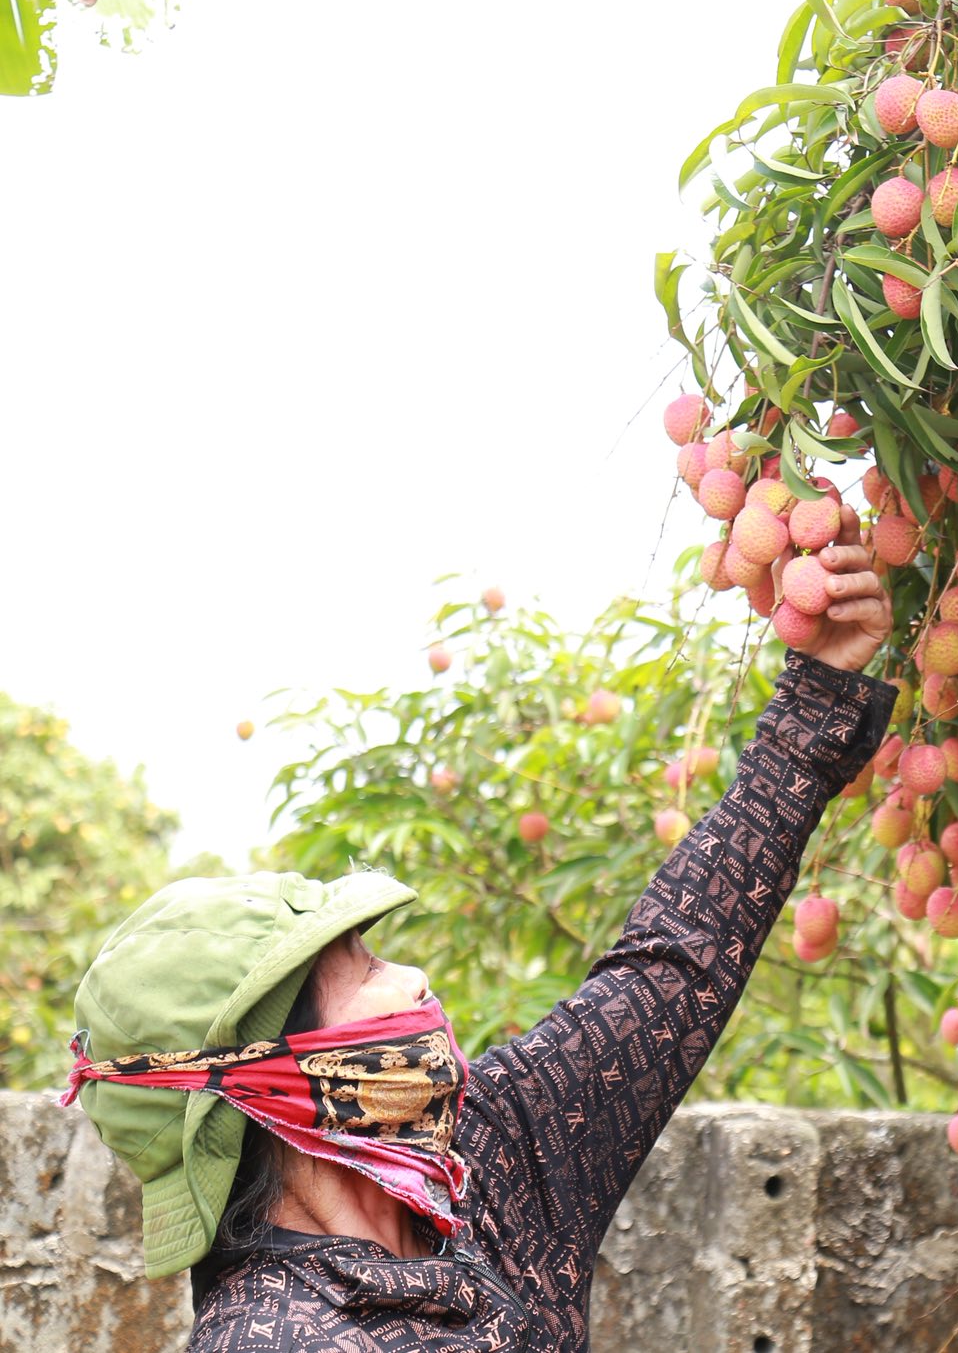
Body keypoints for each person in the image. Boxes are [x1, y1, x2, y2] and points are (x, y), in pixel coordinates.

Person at [61, 507, 895, 1351]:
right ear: (280, 1079)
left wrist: (817, 694)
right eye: (363, 974)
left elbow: (668, 971)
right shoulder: (272, 1338)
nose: (412, 980)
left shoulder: (485, 1164)